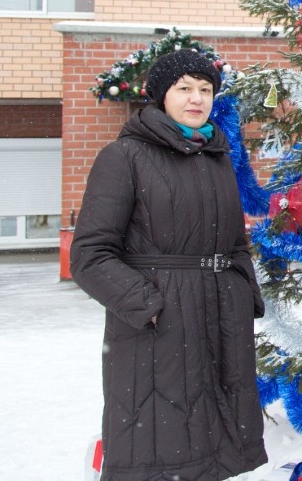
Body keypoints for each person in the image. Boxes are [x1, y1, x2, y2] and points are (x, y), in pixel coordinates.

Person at [70, 49, 267, 481]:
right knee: (160, 448)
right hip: (157, 328)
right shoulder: (124, 157)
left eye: (205, 90)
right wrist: (151, 305)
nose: (197, 99)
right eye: (184, 89)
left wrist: (242, 292)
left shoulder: (215, 156)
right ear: (161, 96)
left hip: (220, 319)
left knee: (215, 443)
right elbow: (89, 254)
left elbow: (234, 240)